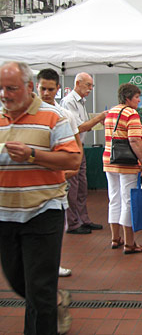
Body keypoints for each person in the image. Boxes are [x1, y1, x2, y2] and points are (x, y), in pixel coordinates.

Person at [0, 61, 81, 334]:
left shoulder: (54, 116)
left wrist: (33, 154)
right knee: (19, 283)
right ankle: (57, 299)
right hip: (5, 214)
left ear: (28, 87)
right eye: (1, 88)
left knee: (39, 290)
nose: (5, 94)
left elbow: (73, 158)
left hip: (43, 211)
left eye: (11, 88)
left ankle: (50, 303)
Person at [37, 68, 83, 277]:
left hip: (56, 183)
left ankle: (52, 264)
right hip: (32, 183)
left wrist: (71, 170)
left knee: (55, 225)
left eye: (50, 89)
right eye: (42, 88)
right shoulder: (27, 114)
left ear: (57, 89)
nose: (46, 93)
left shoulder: (65, 115)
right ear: (36, 87)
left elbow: (77, 146)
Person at [103, 83, 142, 254]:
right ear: (128, 98)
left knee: (114, 199)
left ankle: (115, 238)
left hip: (109, 160)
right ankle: (130, 243)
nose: (139, 100)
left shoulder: (111, 112)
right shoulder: (132, 114)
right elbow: (134, 140)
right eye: (137, 97)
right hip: (127, 163)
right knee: (128, 200)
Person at [61, 72, 107, 234]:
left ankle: (83, 219)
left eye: (92, 86)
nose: (90, 89)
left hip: (80, 147)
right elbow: (79, 128)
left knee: (82, 185)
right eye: (88, 85)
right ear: (78, 83)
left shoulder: (81, 102)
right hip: (71, 148)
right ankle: (72, 223)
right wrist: (99, 117)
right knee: (73, 187)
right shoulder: (69, 102)